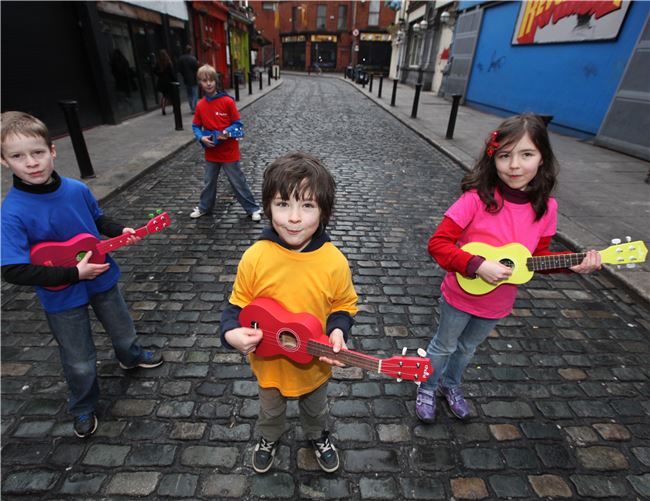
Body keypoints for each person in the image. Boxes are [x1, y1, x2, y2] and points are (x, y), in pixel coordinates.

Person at [415, 113, 602, 424]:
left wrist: (574, 265)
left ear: (542, 158)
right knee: (444, 345)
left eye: (526, 154)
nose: (514, 166)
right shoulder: (475, 200)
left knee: (467, 348)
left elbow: (538, 258)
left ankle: (451, 386)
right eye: (505, 156)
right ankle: (427, 386)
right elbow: (438, 244)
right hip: (461, 294)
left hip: (498, 302)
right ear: (494, 159)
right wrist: (476, 264)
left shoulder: (546, 208)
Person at [0, 112, 164, 438]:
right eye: (18, 156)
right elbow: (12, 269)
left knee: (122, 327)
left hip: (101, 276)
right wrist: (74, 272)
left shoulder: (76, 190)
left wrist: (122, 230)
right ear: (5, 162)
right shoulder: (11, 212)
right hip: (60, 294)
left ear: (53, 150)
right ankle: (83, 404)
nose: (31, 163)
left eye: (38, 152)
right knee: (78, 358)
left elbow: (98, 219)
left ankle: (130, 357)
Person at [220, 152, 358, 474]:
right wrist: (229, 333)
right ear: (268, 206)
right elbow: (236, 305)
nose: (294, 218)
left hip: (313, 367)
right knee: (270, 412)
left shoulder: (334, 261)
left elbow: (343, 305)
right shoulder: (255, 258)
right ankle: (270, 438)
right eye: (283, 204)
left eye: (307, 205)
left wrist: (338, 330)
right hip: (270, 366)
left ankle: (317, 436)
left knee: (316, 409)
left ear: (324, 211)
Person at [189, 64, 262, 221]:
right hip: (211, 152)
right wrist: (201, 137)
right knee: (209, 182)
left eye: (211, 80)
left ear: (216, 81)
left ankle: (252, 209)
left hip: (229, 152)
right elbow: (196, 126)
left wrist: (226, 132)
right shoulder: (200, 105)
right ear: (200, 84)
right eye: (204, 80)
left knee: (237, 182)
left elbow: (238, 124)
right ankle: (204, 207)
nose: (208, 83)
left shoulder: (227, 102)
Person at [176, 44, 199, 113]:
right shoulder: (193, 58)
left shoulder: (181, 59)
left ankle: (191, 107)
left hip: (186, 79)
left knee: (189, 94)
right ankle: (194, 108)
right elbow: (196, 68)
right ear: (190, 51)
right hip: (193, 79)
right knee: (194, 94)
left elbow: (179, 69)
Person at [153, 49, 176, 115]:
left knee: (164, 96)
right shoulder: (168, 62)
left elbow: (154, 71)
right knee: (172, 95)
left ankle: (163, 109)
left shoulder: (158, 63)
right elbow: (172, 73)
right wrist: (175, 80)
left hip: (161, 81)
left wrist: (159, 74)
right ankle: (174, 108)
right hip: (169, 81)